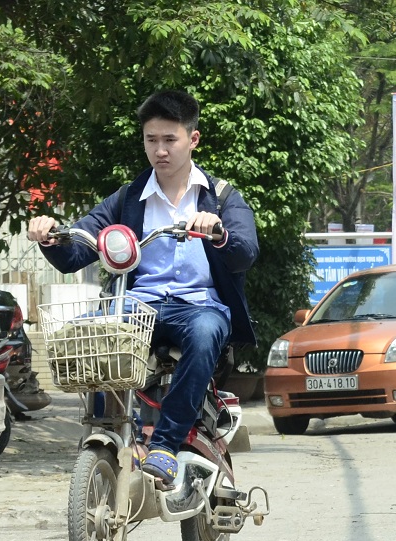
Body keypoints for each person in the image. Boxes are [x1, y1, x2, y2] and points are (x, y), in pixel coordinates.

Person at [27, 90, 259, 484]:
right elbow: (75, 251)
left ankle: (165, 446)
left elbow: (245, 252)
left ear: (193, 139)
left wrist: (217, 233)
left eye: (170, 140)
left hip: (199, 306)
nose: (160, 150)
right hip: (138, 306)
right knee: (89, 330)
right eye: (152, 140)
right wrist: (49, 235)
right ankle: (107, 431)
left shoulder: (221, 197)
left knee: (205, 334)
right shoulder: (128, 199)